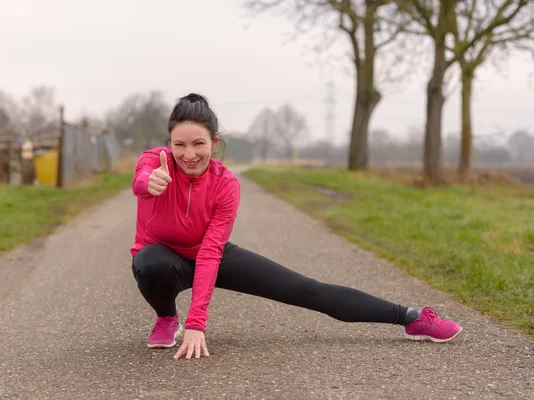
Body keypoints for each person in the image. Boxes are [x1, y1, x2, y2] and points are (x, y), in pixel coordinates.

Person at [130, 93, 463, 360]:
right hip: (163, 258)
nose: (188, 154)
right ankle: (166, 317)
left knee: (306, 289)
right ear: (168, 144)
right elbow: (141, 181)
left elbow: (211, 251)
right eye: (180, 145)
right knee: (150, 262)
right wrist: (151, 183)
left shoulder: (225, 183)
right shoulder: (154, 163)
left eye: (198, 143)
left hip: (209, 252)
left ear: (214, 142)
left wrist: (197, 324)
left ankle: (411, 317)